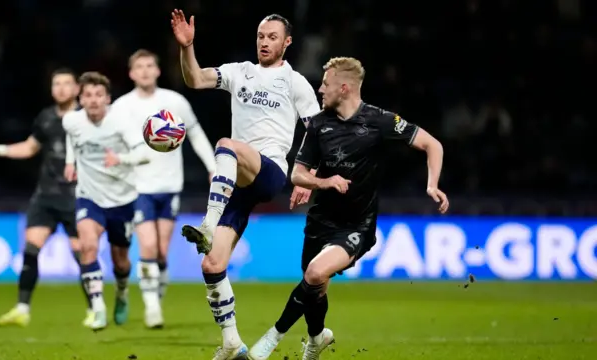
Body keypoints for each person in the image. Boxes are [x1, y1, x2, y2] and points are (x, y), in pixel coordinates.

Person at [248, 57, 449, 360]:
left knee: (315, 273)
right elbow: (298, 174)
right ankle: (317, 339)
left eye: (325, 84)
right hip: (320, 221)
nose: (320, 89)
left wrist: (432, 184)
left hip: (357, 225)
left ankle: (274, 335)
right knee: (315, 289)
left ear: (344, 88)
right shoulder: (317, 125)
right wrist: (324, 182)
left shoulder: (380, 121)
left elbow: (433, 144)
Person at [171, 10, 320, 359]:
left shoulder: (295, 82)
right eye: (260, 36)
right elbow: (195, 79)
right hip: (238, 182)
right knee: (211, 265)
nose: (264, 42)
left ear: (287, 42)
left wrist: (307, 178)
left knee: (226, 144)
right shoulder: (240, 72)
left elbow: (318, 132)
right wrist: (187, 47)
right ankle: (232, 342)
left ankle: (207, 224)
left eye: (272, 37)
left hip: (269, 171)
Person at [111, 49, 216, 328]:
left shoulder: (174, 101)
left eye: (149, 65)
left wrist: (211, 167)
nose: (145, 71)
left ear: (158, 70)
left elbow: (195, 133)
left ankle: (155, 293)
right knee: (147, 244)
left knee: (160, 251)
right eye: (139, 67)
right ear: (131, 73)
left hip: (170, 184)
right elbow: (111, 144)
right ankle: (152, 307)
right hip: (138, 186)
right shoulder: (120, 107)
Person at [0, 68, 94, 328]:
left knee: (82, 254)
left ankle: (94, 309)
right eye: (57, 83)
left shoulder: (88, 118)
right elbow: (30, 147)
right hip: (45, 196)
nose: (62, 88)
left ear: (77, 89)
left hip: (76, 197)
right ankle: (22, 309)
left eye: (67, 83)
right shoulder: (45, 117)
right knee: (31, 249)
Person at [63, 71, 150, 331]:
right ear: (80, 99)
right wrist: (70, 161)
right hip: (90, 197)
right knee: (87, 246)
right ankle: (98, 307)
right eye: (88, 95)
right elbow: (72, 138)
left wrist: (120, 160)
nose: (93, 100)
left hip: (122, 200)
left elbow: (144, 153)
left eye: (99, 95)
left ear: (107, 99)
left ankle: (121, 292)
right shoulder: (71, 121)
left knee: (120, 260)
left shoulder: (121, 122)